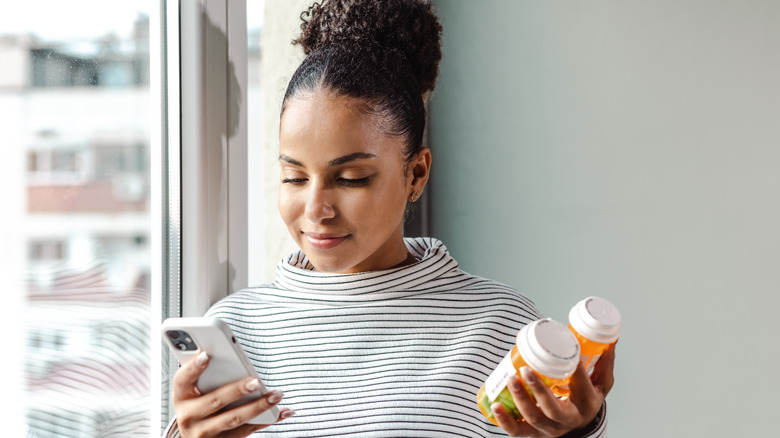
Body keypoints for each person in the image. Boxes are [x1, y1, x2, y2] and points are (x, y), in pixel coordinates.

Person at [165, 0, 615, 437]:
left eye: (352, 178)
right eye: (294, 177)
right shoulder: (235, 329)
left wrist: (579, 432)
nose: (316, 209)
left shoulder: (499, 327)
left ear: (415, 173)